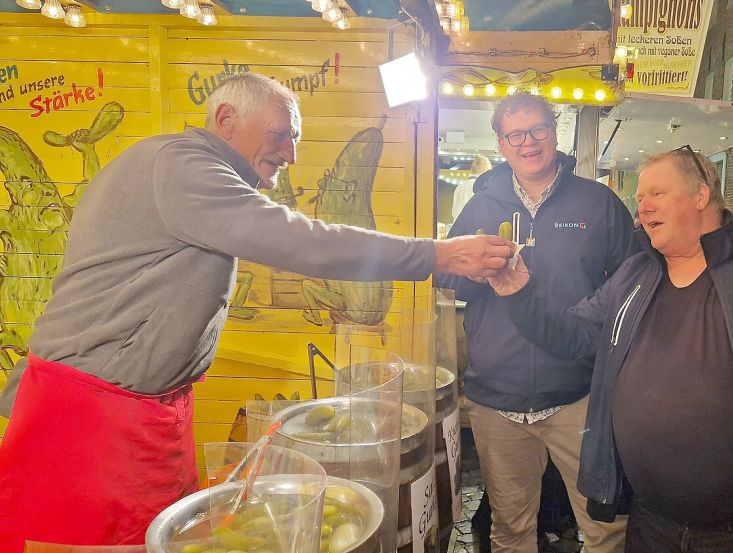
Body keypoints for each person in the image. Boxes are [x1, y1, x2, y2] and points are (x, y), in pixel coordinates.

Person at [0, 72, 512, 550]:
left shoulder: (197, 174)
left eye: (295, 139)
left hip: (144, 407)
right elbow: (300, 241)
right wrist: (438, 254)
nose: (290, 153)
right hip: (93, 415)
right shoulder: (180, 164)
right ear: (225, 119)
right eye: (281, 135)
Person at [487, 146, 733, 553]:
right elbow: (573, 334)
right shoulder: (635, 273)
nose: (643, 207)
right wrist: (520, 294)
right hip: (650, 524)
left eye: (656, 193)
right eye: (640, 198)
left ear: (700, 195)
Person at [437, 91, 633, 553]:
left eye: (539, 129)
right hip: (497, 400)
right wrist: (477, 271)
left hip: (577, 396)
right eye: (516, 134)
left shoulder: (598, 203)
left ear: (555, 131)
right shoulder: (479, 208)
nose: (530, 142)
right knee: (511, 528)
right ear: (502, 144)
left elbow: (631, 283)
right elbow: (446, 279)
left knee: (606, 525)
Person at [452, 153, 493, 221]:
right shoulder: (482, 188)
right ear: (486, 170)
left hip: (457, 228)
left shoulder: (460, 187)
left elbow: (454, 212)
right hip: (473, 229)